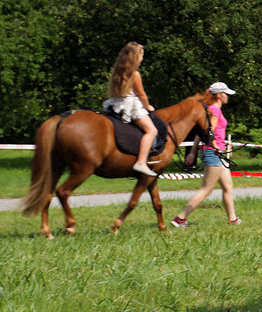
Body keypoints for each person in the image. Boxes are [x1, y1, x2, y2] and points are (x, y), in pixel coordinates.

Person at [172, 82, 242, 227]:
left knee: (228, 186)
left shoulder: (213, 110)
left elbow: (202, 132)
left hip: (217, 152)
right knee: (206, 189)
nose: (228, 96)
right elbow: (208, 132)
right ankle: (180, 218)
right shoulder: (214, 110)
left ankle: (233, 219)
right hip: (213, 153)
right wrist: (215, 146)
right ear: (219, 95)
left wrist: (192, 152)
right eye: (226, 93)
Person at [103, 42, 158, 177]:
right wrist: (148, 107)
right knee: (152, 130)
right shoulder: (135, 74)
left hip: (116, 104)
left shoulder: (117, 72)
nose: (142, 58)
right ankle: (141, 162)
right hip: (130, 105)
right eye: (141, 55)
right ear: (136, 56)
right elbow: (141, 95)